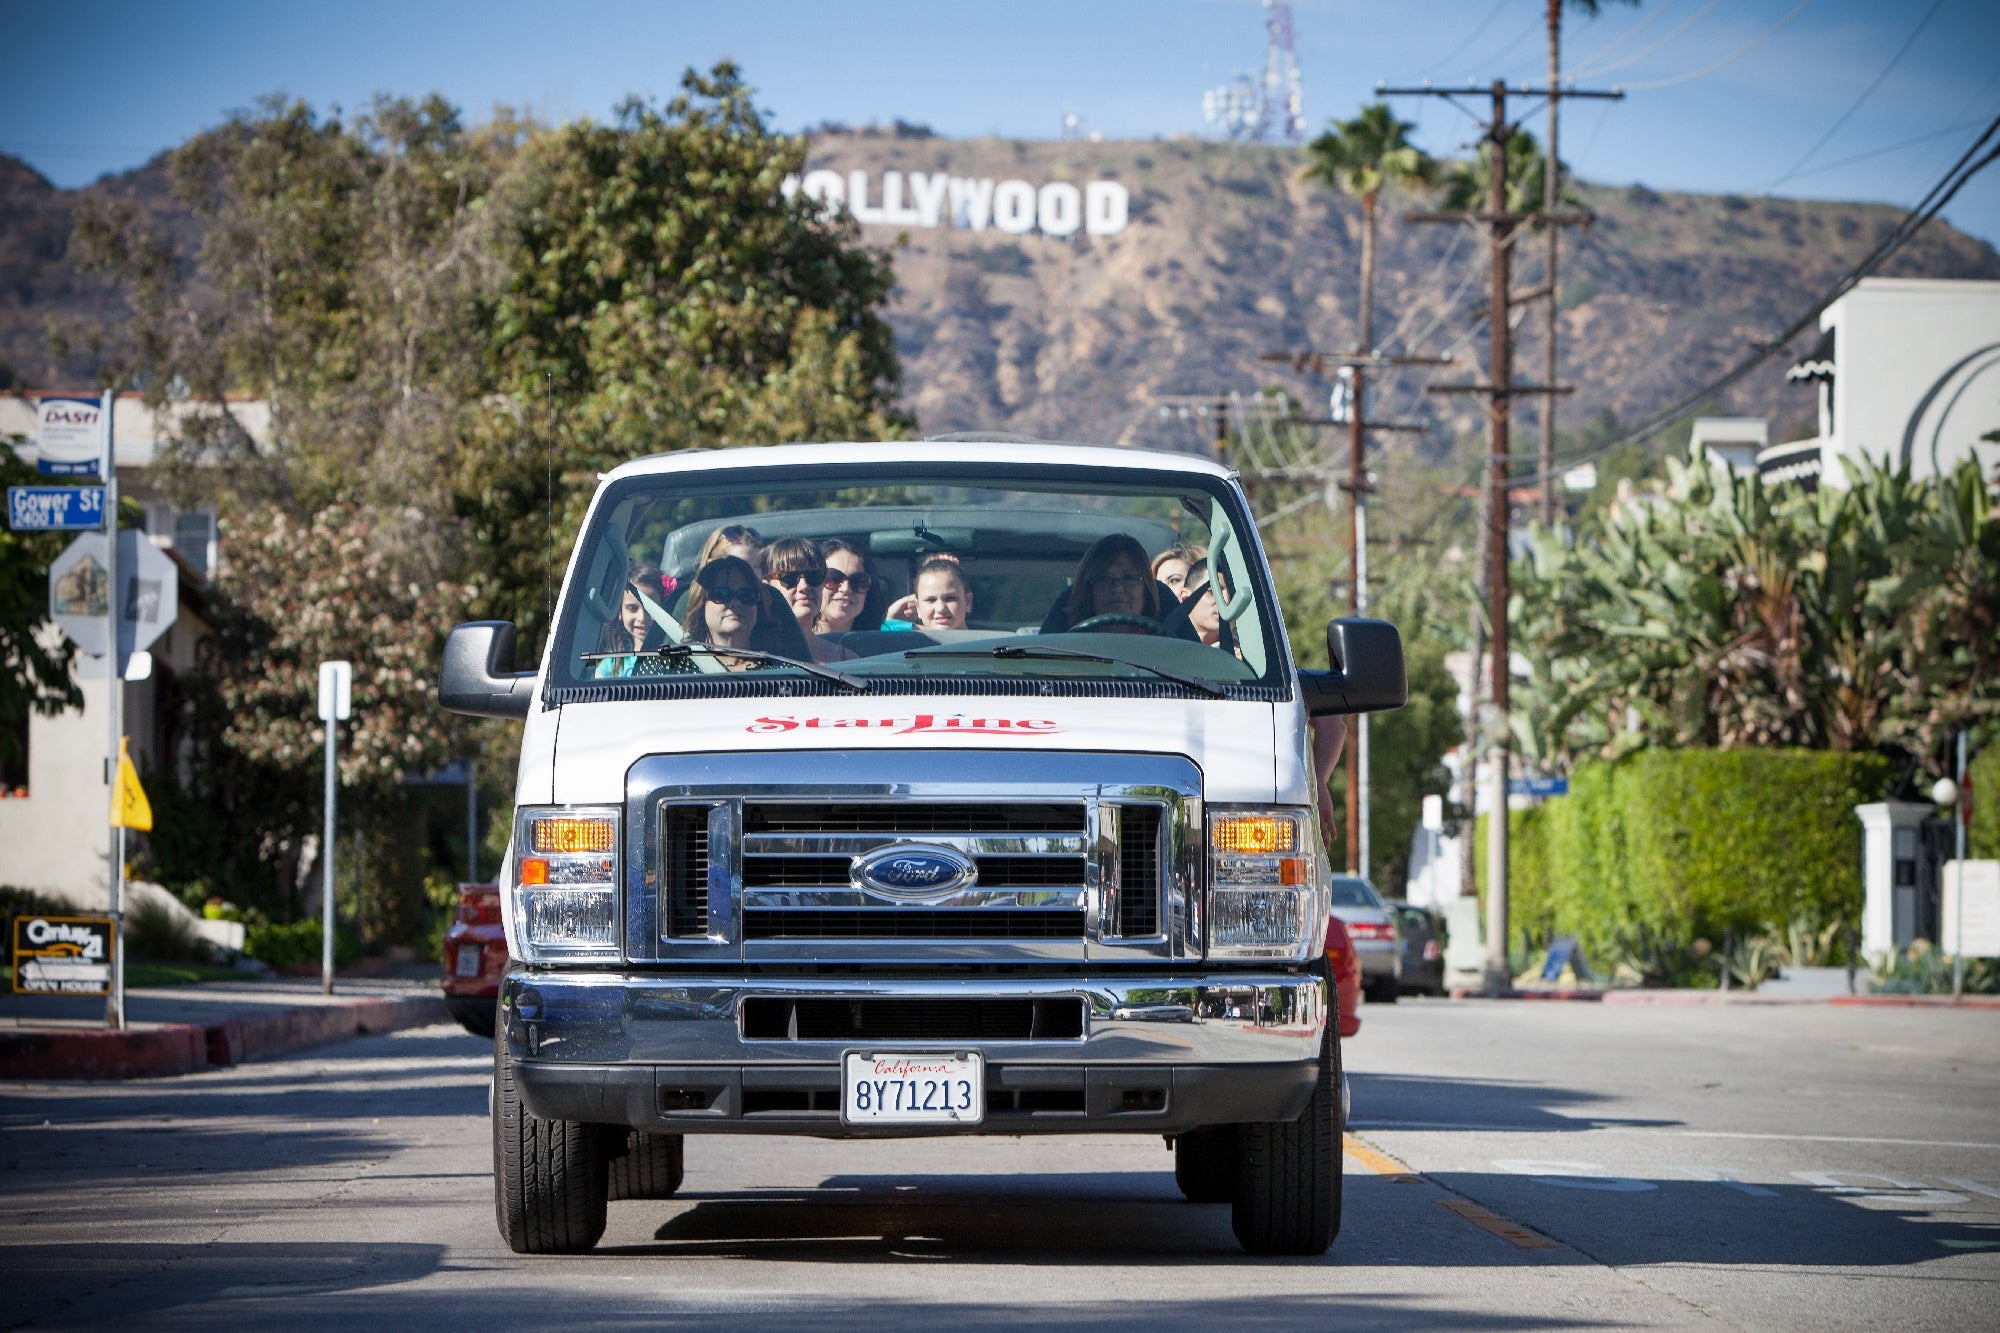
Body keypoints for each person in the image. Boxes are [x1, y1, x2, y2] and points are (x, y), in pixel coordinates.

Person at [760, 537, 856, 663]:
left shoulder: (847, 660)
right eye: (789, 577)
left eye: (814, 576)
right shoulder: (750, 656)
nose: (804, 586)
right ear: (766, 588)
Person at [680, 555, 784, 671]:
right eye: (721, 594)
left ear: (758, 607)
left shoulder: (784, 672)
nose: (735, 603)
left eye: (746, 595)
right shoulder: (676, 669)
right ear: (701, 605)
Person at [1066, 534, 1163, 633]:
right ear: (1088, 591)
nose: (1117, 588)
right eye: (1103, 579)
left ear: (1146, 590)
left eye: (1129, 578)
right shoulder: (1067, 646)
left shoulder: (1164, 646)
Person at [593, 564, 671, 678]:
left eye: (651, 609)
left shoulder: (674, 658)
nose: (642, 618)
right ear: (619, 612)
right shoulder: (611, 664)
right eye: (632, 608)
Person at [815, 537, 884, 635]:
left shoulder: (878, 647)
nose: (846, 589)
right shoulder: (789, 646)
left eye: (858, 581)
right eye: (833, 578)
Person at [910, 557, 973, 630]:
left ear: (968, 602)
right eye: (931, 600)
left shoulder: (986, 640)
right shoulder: (906, 641)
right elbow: (892, 626)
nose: (941, 608)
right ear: (918, 607)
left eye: (950, 598)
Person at [1183, 557, 1223, 648]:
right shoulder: (1167, 645)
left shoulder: (1247, 652)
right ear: (1185, 598)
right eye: (1213, 591)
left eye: (1233, 593)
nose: (1227, 600)